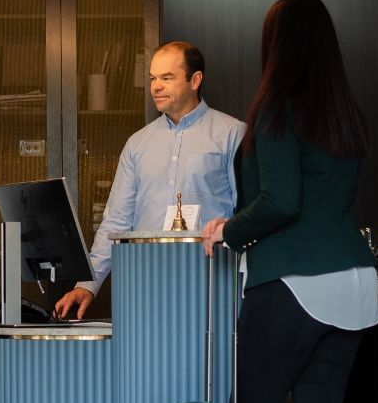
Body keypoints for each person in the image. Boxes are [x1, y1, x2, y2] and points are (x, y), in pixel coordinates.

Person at [202, 0, 378, 403]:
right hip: (354, 286)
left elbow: (282, 201)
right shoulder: (345, 114)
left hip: (292, 285)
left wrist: (227, 230)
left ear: (276, 46)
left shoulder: (277, 110)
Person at [52, 41, 244, 319]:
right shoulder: (137, 144)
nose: (156, 86)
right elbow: (117, 220)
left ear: (195, 80)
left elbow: (248, 214)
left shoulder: (233, 135)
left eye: (167, 78)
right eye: (153, 78)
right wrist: (88, 286)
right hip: (147, 289)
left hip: (213, 287)